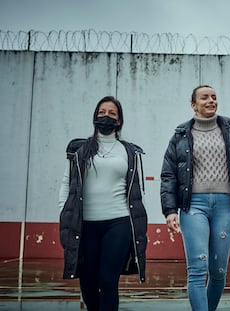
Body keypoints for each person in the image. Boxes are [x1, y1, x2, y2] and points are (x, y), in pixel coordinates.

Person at [160, 85, 230, 311]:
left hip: (225, 207)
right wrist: (170, 211)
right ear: (193, 105)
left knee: (218, 273)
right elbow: (168, 175)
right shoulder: (180, 136)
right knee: (197, 269)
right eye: (204, 97)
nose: (211, 101)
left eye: (214, 97)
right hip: (193, 206)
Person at [58, 96, 147, 311]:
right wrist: (65, 211)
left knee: (108, 281)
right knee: (88, 284)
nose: (106, 116)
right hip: (85, 225)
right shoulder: (79, 149)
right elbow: (66, 182)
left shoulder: (130, 151)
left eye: (112, 113)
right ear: (95, 117)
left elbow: (136, 190)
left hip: (119, 222)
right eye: (102, 112)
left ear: (119, 121)